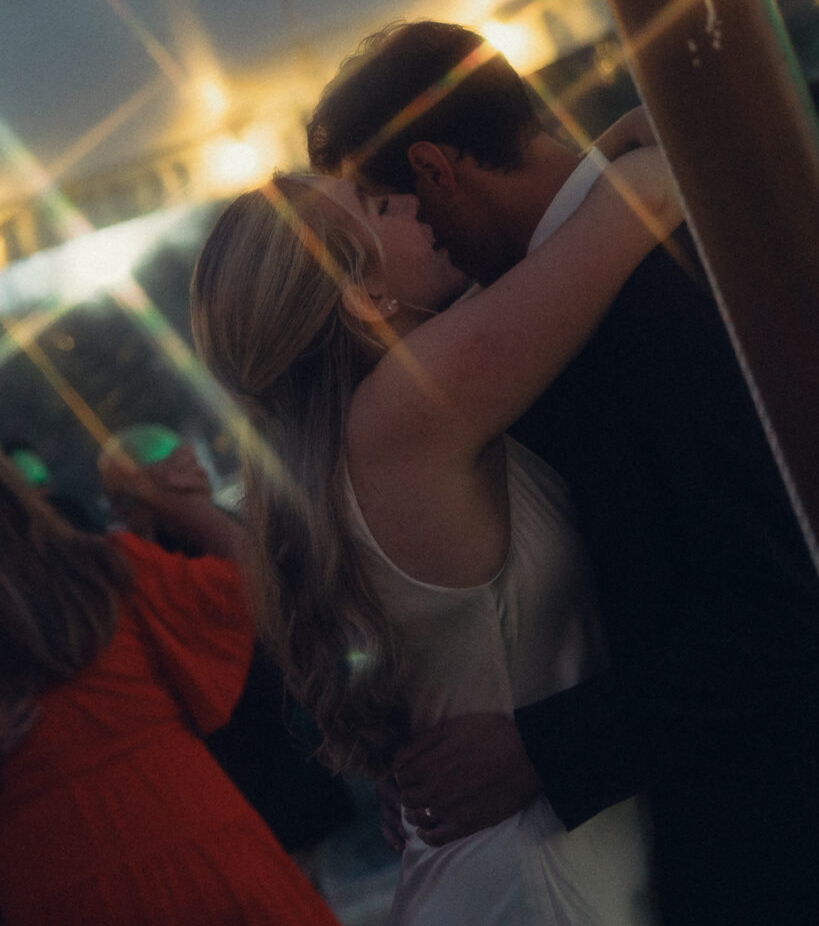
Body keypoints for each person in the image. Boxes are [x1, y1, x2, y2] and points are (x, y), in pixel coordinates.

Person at [306, 20, 819, 926]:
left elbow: (780, 591)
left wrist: (545, 749)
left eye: (383, 206)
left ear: (433, 169)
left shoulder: (645, 285)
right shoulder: (575, 277)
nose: (396, 241)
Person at [190, 123, 683, 923]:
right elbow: (650, 196)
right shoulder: (403, 413)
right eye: (382, 205)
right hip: (540, 871)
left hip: (500, 855)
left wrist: (590, 156)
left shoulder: (344, 446)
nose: (415, 203)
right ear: (359, 293)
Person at [0, 450, 340, 926]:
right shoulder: (105, 573)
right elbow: (260, 590)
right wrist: (180, 504)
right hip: (204, 850)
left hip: (52, 882)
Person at [97, 424, 356, 885]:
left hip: (268, 745)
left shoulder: (202, 536)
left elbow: (264, 598)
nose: (117, 515)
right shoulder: (150, 557)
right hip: (250, 747)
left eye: (123, 499)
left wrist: (180, 503)